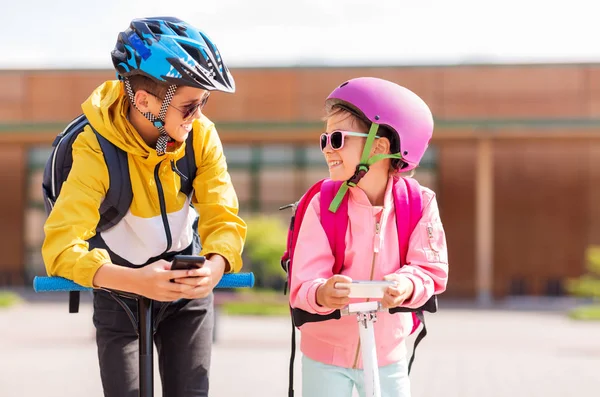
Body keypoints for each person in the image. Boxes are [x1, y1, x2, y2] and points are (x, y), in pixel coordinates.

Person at [41, 16, 247, 397]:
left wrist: (216, 265)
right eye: (189, 106)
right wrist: (137, 281)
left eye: (204, 102)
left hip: (188, 293)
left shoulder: (201, 135)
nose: (198, 116)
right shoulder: (95, 149)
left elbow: (223, 217)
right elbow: (61, 247)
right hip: (120, 293)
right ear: (145, 100)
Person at [289, 77, 449, 397]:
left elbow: (429, 270)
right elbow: (304, 279)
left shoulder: (418, 204)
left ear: (379, 145)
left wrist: (406, 285)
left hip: (388, 356)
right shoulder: (322, 204)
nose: (327, 150)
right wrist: (323, 292)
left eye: (337, 139)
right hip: (325, 356)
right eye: (324, 140)